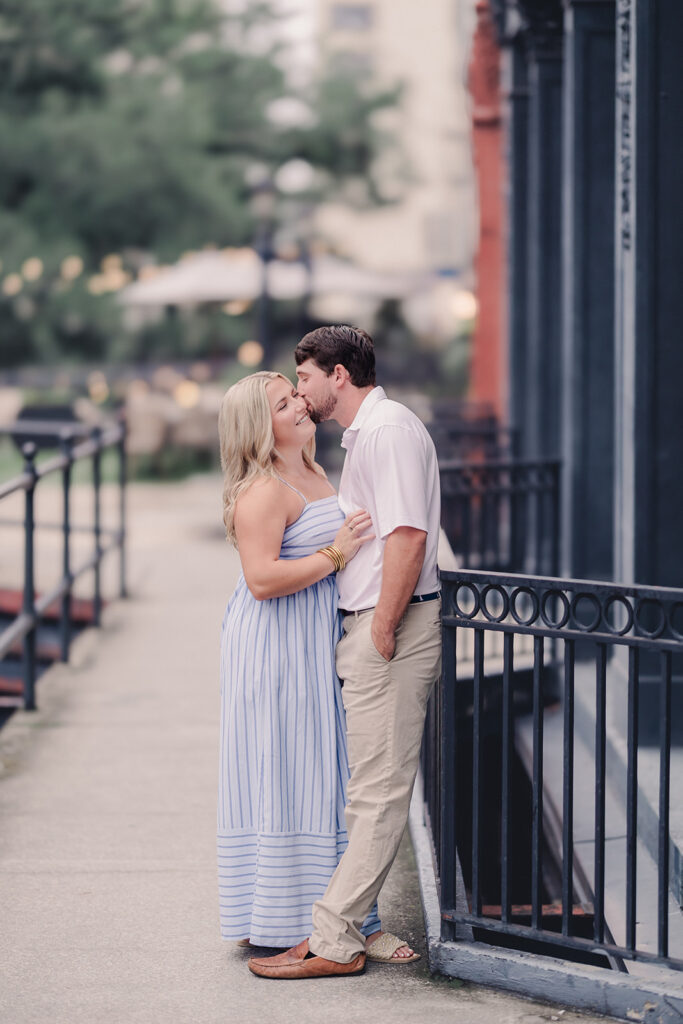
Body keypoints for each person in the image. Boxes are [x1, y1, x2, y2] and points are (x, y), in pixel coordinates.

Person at [248, 326, 442, 979]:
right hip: (371, 626)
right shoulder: (367, 436)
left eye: (303, 378)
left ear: (337, 374)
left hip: (387, 627)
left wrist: (382, 627)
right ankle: (343, 928)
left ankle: (332, 940)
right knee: (371, 789)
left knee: (377, 791)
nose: (300, 392)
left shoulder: (385, 432)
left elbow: (408, 536)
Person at [218, 370, 397, 951]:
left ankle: (335, 917)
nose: (300, 403)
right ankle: (282, 919)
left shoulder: (315, 471)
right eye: (284, 402)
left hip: (311, 638)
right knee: (289, 769)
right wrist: (338, 551)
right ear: (258, 427)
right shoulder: (265, 490)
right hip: (275, 645)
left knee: (321, 770)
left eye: (294, 394)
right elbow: (262, 579)